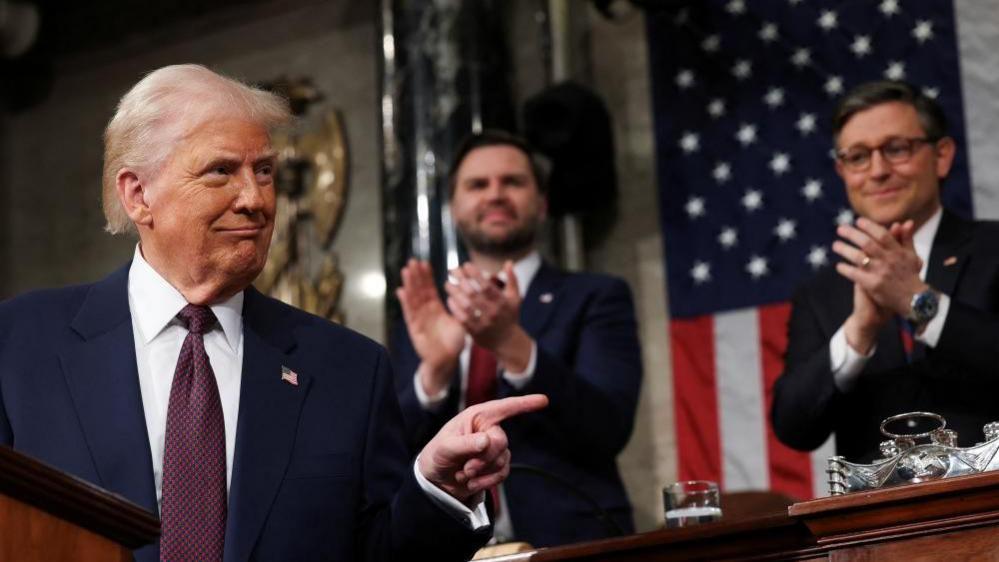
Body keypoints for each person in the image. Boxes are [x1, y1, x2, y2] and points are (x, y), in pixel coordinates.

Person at [0, 64, 548, 562]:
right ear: (138, 194)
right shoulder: (22, 344)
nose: (255, 200)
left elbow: (381, 553)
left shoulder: (348, 371)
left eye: (263, 172)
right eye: (220, 171)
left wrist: (439, 488)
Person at [391, 130, 641, 547]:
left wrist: (512, 344)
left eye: (512, 182)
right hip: (447, 545)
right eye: (477, 184)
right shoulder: (428, 308)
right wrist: (434, 375)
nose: (495, 194)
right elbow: (391, 450)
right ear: (454, 209)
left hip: (569, 543)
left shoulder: (596, 296)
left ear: (541, 204)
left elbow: (609, 429)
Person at [772, 80, 999, 464]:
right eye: (858, 157)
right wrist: (859, 331)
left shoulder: (993, 247)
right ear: (842, 171)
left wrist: (919, 303)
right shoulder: (823, 291)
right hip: (880, 518)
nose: (877, 171)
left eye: (896, 149)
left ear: (941, 155)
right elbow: (794, 427)